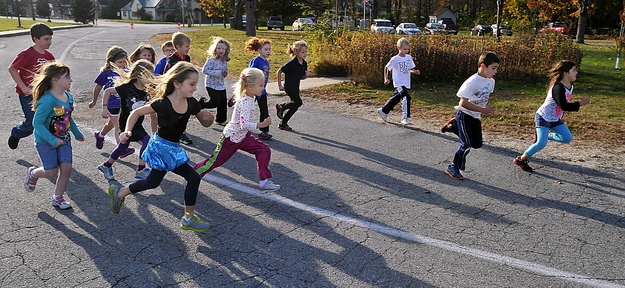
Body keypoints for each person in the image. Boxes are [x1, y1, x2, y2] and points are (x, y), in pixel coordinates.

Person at [107, 62, 215, 232]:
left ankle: (120, 192)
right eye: (192, 84)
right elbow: (136, 112)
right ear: (177, 83)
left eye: (196, 84)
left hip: (174, 148)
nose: (195, 88)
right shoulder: (163, 104)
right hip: (161, 148)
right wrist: (126, 130)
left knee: (152, 182)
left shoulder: (192, 103)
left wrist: (209, 118)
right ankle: (188, 218)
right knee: (192, 177)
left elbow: (205, 122)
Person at [194, 68, 280, 192]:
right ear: (250, 87)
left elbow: (244, 128)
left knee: (264, 150)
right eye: (261, 85)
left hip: (243, 137)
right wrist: (262, 125)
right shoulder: (246, 102)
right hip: (231, 138)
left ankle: (264, 181)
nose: (263, 87)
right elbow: (244, 125)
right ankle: (193, 175)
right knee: (214, 161)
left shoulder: (249, 97)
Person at [25, 61, 85, 209]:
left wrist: (77, 133)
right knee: (51, 171)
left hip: (64, 139)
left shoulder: (69, 97)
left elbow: (67, 117)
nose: (71, 79)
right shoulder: (47, 101)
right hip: (45, 141)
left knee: (66, 169)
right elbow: (37, 123)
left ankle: (58, 197)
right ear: (55, 80)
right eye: (67, 76)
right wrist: (52, 139)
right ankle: (33, 173)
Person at [512, 60, 590, 172]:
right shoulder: (557, 87)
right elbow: (563, 105)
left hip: (555, 119)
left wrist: (560, 116)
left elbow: (561, 106)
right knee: (541, 143)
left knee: (567, 138)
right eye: (573, 70)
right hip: (543, 117)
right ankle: (521, 159)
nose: (576, 72)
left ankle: (546, 135)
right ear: (565, 73)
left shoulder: (570, 86)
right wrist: (580, 104)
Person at [97, 60, 156, 181]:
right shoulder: (126, 88)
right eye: (148, 76)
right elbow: (108, 91)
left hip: (137, 123)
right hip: (126, 123)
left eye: (152, 76)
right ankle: (140, 168)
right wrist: (104, 107)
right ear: (139, 75)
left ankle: (106, 165)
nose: (150, 79)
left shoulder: (147, 89)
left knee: (123, 147)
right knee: (146, 141)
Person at [445, 52, 500, 180]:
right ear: (483, 66)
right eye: (493, 68)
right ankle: (453, 167)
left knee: (477, 144)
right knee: (466, 144)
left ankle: (454, 127)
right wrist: (482, 109)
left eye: (496, 68)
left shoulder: (491, 81)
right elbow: (463, 103)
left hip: (475, 116)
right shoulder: (472, 82)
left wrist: (481, 110)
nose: (496, 71)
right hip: (464, 114)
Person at [8, 23, 55, 150]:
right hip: (28, 95)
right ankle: (16, 133)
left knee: (48, 120)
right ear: (35, 39)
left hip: (44, 95)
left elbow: (55, 73)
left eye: (50, 38)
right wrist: (23, 87)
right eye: (46, 39)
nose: (49, 42)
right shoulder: (27, 54)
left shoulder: (49, 56)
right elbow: (12, 69)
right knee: (32, 123)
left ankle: (48, 146)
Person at [89, 46, 134, 158]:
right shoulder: (106, 73)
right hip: (112, 103)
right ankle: (122, 149)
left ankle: (100, 135)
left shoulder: (127, 72)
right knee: (118, 125)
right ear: (111, 61)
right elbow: (98, 87)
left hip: (124, 104)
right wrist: (94, 101)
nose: (123, 64)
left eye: (124, 61)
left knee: (112, 124)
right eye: (120, 62)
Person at [377, 38, 420, 125]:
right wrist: (386, 78)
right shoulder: (395, 59)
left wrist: (414, 71)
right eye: (405, 49)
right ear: (399, 48)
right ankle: (405, 118)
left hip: (406, 81)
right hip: (399, 82)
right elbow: (387, 68)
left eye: (408, 49)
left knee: (396, 98)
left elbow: (409, 68)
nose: (406, 51)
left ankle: (384, 110)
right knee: (406, 97)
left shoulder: (408, 57)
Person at [164, 32, 194, 145]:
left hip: (185, 91)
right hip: (174, 91)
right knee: (175, 112)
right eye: (186, 46)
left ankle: (181, 132)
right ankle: (177, 133)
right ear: (178, 47)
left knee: (185, 112)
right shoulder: (172, 60)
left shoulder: (187, 58)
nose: (189, 48)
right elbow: (167, 75)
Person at [275, 40, 310, 131]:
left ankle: (283, 123)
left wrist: (306, 75)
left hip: (296, 87)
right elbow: (279, 71)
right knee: (298, 102)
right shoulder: (291, 63)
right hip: (289, 87)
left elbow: (301, 77)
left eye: (306, 52)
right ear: (296, 52)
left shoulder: (304, 63)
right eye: (302, 52)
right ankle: (282, 106)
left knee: (295, 106)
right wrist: (280, 85)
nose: (305, 54)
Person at [245, 37, 273, 140]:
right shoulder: (256, 60)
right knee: (248, 109)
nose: (268, 51)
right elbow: (249, 72)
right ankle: (244, 126)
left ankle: (264, 131)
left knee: (264, 110)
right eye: (266, 49)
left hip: (261, 91)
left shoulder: (267, 62)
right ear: (259, 50)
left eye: (269, 49)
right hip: (252, 90)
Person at [199, 37, 230, 125]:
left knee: (223, 103)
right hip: (211, 84)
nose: (221, 50)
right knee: (215, 102)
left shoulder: (224, 61)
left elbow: (224, 71)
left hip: (221, 85)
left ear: (226, 50)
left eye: (223, 48)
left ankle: (220, 120)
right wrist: (217, 73)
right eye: (219, 48)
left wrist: (224, 74)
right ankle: (202, 103)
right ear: (215, 49)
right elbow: (205, 70)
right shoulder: (211, 60)